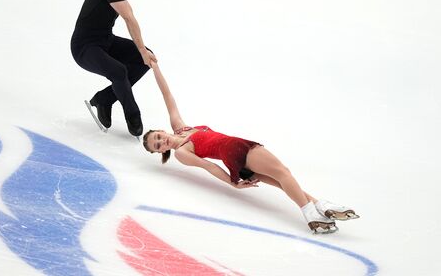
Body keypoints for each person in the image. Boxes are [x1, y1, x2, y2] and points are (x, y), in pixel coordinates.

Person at [142, 62, 360, 234]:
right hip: (235, 148)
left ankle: (320, 205)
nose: (162, 142)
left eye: (158, 137)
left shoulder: (181, 128)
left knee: (281, 181)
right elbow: (208, 167)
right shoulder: (181, 152)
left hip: (232, 155)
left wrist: (155, 68)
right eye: (158, 146)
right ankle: (312, 215)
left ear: (162, 130)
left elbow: (167, 95)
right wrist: (232, 183)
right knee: (284, 172)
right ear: (160, 152)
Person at [71, 0, 198, 136]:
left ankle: (104, 99)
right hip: (85, 47)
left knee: (145, 59)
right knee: (121, 70)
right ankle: (133, 116)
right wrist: (140, 48)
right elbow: (129, 18)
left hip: (105, 40)